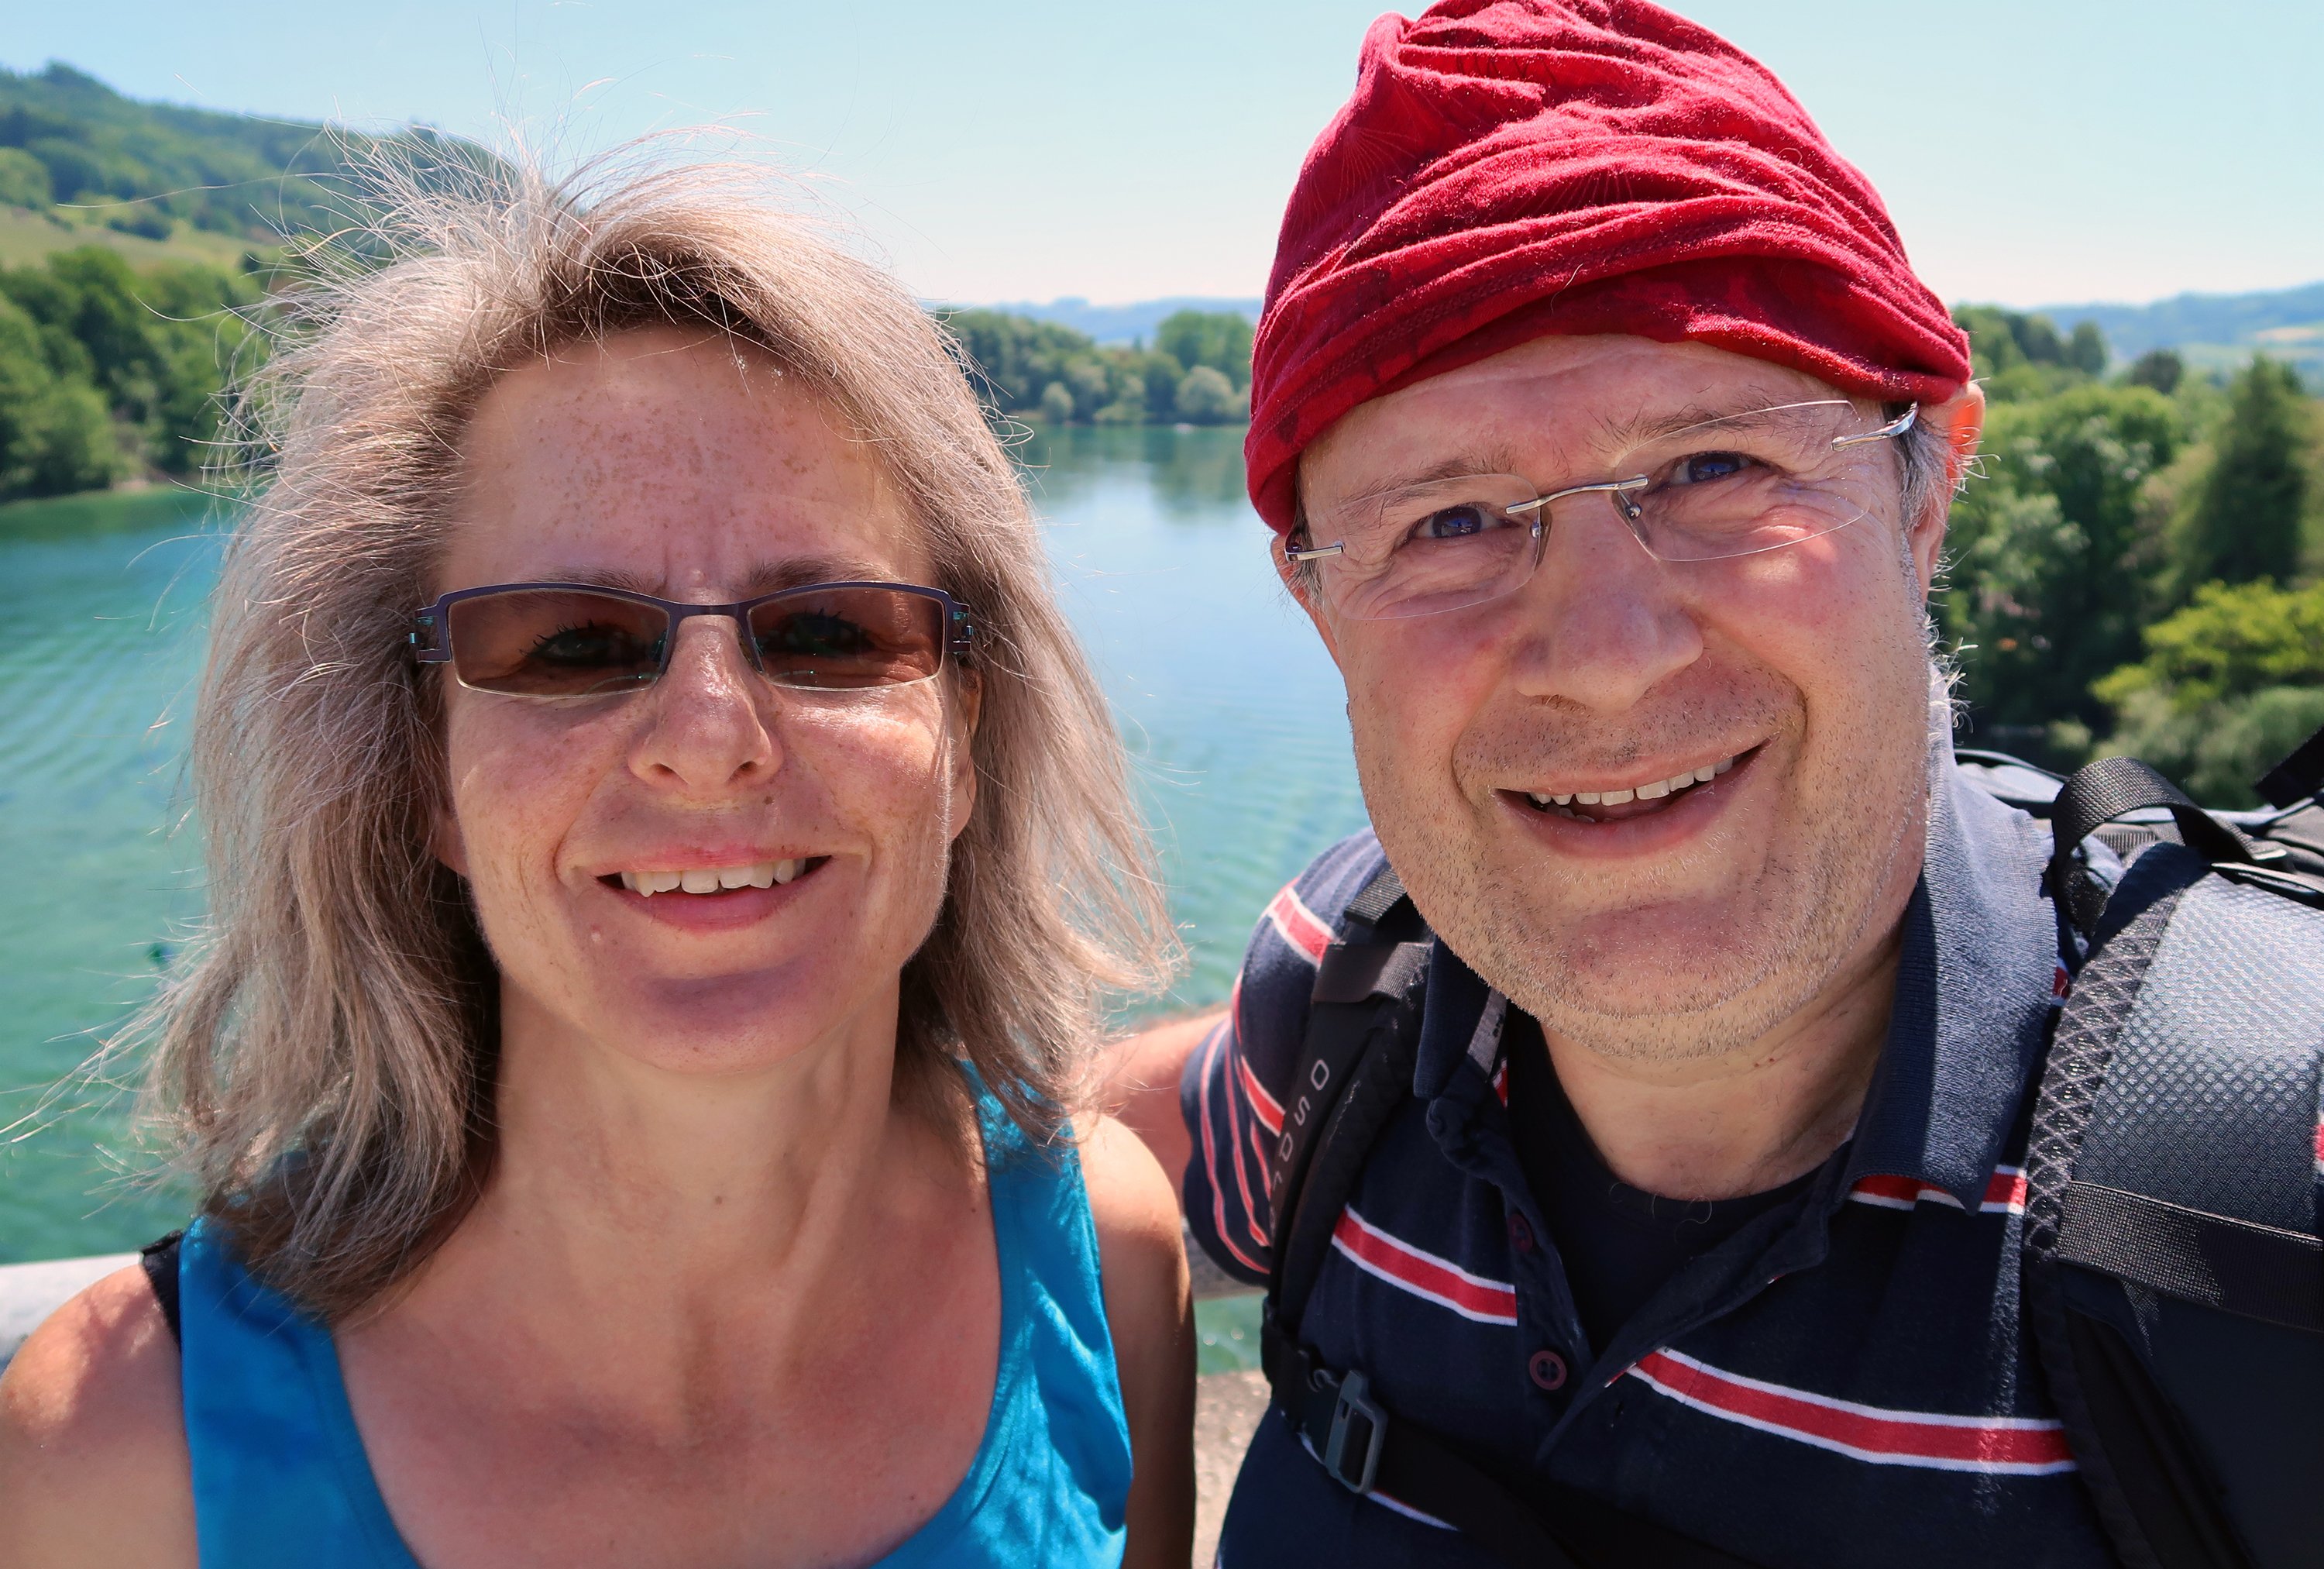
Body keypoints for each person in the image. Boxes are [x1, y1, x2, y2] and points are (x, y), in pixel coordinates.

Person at [1105, 2, 2317, 1565]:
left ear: (1925, 486)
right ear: (1317, 596)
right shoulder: (1358, 989)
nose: (1605, 653)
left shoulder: (2270, 1155)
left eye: (1714, 466)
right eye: (1453, 518)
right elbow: (1090, 1148)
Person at [0, 159, 1194, 1567]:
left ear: (964, 740)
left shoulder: (1105, 1263)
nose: (708, 739)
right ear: (429, 774)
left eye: (826, 630)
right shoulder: (111, 1458)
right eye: (568, 639)